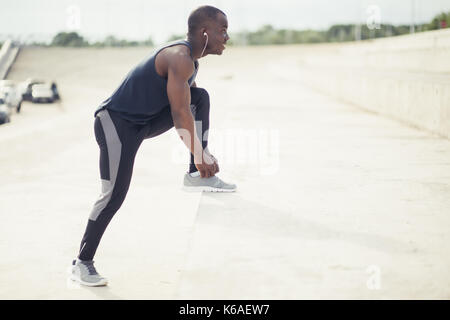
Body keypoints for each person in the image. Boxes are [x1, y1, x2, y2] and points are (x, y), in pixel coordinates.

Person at [70, 5, 236, 287]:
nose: (227, 37)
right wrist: (200, 154)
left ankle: (196, 176)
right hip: (115, 123)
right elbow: (180, 114)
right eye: (223, 30)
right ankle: (81, 263)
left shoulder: (192, 63)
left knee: (200, 97)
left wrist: (199, 155)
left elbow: (185, 107)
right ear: (205, 32)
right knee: (113, 195)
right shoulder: (179, 57)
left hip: (143, 122)